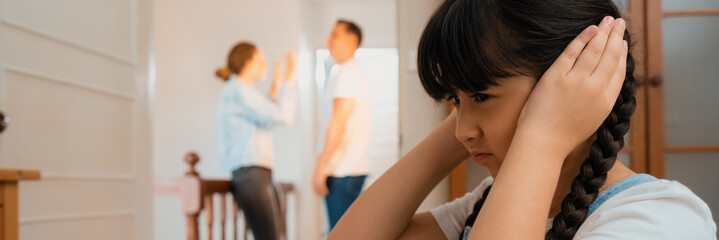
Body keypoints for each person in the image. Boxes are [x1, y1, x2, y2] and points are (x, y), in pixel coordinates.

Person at [328, 1, 716, 240]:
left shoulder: (661, 219)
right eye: (454, 100)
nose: (463, 129)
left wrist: (543, 135)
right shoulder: (485, 204)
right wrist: (462, 119)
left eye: (482, 96)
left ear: (574, 81)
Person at [215, 42, 297, 240]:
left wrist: (276, 87)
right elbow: (281, 116)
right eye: (261, 61)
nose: (266, 65)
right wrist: (290, 78)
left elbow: (265, 120)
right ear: (248, 62)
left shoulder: (242, 91)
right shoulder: (238, 90)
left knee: (271, 235)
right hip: (250, 174)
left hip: (255, 173)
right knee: (269, 237)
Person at [312, 19, 371, 230]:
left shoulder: (346, 73)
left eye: (335, 35)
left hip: (342, 171)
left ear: (353, 40)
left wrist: (321, 167)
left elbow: (338, 123)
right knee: (349, 232)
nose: (329, 40)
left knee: (340, 233)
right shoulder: (349, 72)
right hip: (349, 170)